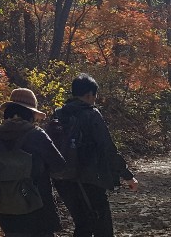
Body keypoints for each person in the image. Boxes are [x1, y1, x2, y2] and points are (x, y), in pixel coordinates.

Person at [52, 74, 138, 237]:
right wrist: (127, 176)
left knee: (82, 224)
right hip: (90, 179)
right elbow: (107, 148)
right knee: (102, 226)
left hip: (63, 179)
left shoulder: (58, 114)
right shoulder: (91, 114)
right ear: (90, 94)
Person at [0, 88, 65, 237]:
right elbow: (59, 166)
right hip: (39, 212)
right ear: (31, 114)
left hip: (8, 214)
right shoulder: (37, 135)